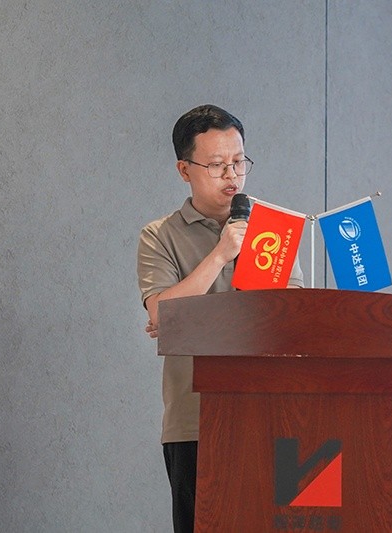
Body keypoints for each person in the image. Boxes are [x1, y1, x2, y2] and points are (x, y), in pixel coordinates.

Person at [137, 104, 304, 532]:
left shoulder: (272, 228)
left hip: (272, 412)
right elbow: (163, 314)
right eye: (216, 165)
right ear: (184, 169)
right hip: (195, 419)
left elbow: (291, 320)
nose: (232, 175)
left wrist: (186, 316)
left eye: (238, 162)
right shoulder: (160, 236)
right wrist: (220, 255)